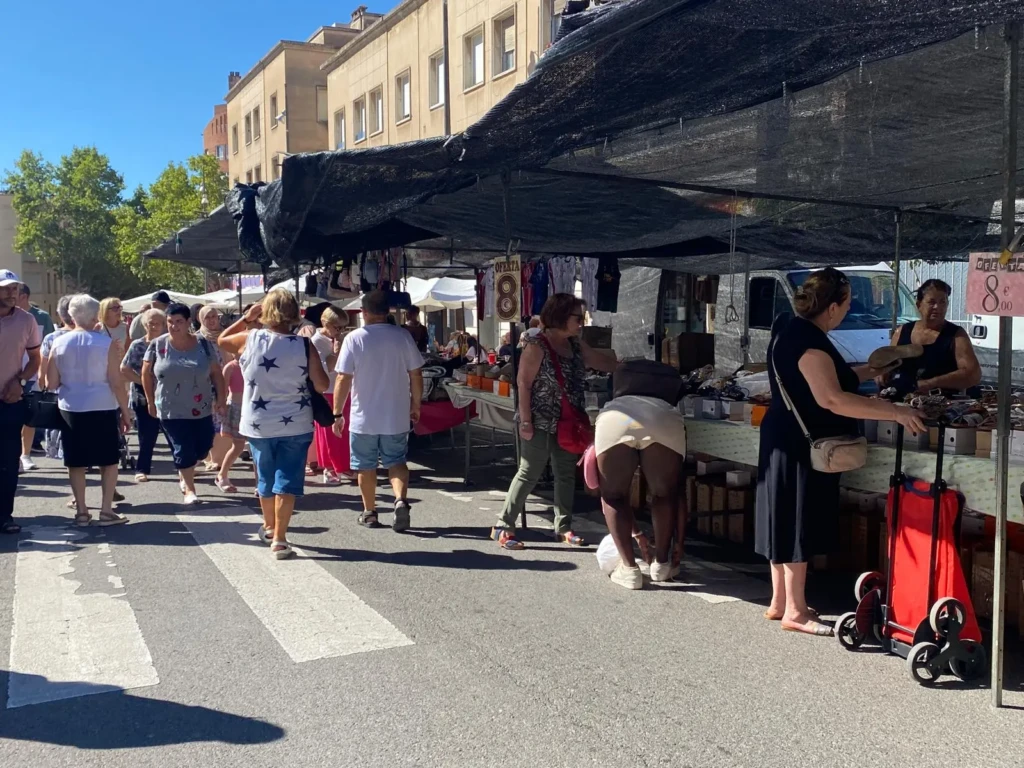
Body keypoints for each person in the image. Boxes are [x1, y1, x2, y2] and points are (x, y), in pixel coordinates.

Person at [756, 267, 926, 636]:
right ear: (832, 307)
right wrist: (896, 411)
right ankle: (797, 612)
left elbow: (831, 377)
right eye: (848, 305)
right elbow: (832, 398)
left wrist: (872, 368)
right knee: (796, 519)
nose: (848, 311)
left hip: (782, 435)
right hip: (803, 443)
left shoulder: (790, 330)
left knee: (781, 515)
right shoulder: (810, 341)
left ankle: (780, 602)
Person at [492, 294, 618, 550]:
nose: (581, 323)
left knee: (565, 475)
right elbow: (523, 383)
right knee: (528, 473)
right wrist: (525, 421)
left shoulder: (575, 344)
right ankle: (502, 526)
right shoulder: (537, 345)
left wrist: (627, 366)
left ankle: (563, 527)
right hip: (538, 420)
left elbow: (599, 361)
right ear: (560, 316)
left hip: (568, 421)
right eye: (577, 318)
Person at [218, 291, 328, 558]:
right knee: (287, 480)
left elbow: (221, 340)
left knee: (265, 477)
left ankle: (268, 526)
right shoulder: (304, 346)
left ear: (265, 311)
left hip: (258, 423)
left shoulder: (249, 338)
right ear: (294, 312)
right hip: (296, 423)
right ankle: (280, 539)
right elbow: (323, 384)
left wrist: (247, 318)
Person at [332, 290, 423, 531]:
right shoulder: (402, 336)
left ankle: (370, 512)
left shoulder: (355, 338)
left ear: (364, 312)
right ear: (388, 311)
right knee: (397, 461)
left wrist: (337, 412)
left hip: (365, 417)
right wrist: (416, 404)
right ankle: (400, 500)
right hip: (396, 414)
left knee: (365, 465)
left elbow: (343, 378)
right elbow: (416, 373)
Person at [594, 377, 687, 590]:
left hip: (616, 419)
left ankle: (629, 569)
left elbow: (613, 496)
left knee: (613, 495)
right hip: (662, 419)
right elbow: (678, 493)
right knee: (664, 494)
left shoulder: (616, 397)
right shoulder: (669, 403)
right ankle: (661, 564)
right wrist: (680, 544)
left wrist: (638, 535)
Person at [47, 294, 131, 527]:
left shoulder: (58, 342)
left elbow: (51, 382)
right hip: (102, 405)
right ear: (95, 316)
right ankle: (106, 510)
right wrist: (125, 411)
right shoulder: (105, 344)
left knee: (75, 462)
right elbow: (116, 380)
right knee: (109, 460)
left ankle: (82, 511)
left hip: (71, 407)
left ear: (71, 316)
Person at [142, 303, 226, 505]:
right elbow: (146, 372)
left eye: (179, 322)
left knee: (204, 447)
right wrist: (150, 401)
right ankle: (190, 489)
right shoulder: (158, 344)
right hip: (170, 408)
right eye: (170, 322)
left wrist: (221, 399)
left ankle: (186, 469)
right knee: (183, 448)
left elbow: (216, 373)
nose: (173, 326)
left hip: (201, 407)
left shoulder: (203, 344)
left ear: (189, 322)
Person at [884, 279, 982, 397]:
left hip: (941, 404)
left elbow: (973, 374)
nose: (937, 307)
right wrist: (881, 372)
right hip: (900, 403)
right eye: (932, 302)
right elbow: (886, 363)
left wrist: (931, 383)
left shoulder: (956, 335)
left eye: (943, 302)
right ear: (919, 305)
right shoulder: (901, 332)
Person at [0, 270, 41, 534]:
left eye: (15, 288)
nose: (12, 293)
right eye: (5, 289)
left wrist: (21, 381)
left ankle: (4, 516)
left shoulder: (27, 320)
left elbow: (36, 359)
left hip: (10, 401)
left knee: (7, 462)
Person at [120, 308, 171, 482]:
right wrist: (144, 382)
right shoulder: (138, 345)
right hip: (142, 396)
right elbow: (124, 369)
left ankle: (184, 468)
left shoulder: (169, 343)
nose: (155, 326)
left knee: (174, 433)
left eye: (158, 323)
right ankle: (142, 469)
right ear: (144, 325)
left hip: (169, 395)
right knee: (146, 435)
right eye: (151, 323)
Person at [312, 307, 352, 485]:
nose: (341, 332)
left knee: (345, 429)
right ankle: (329, 467)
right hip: (327, 391)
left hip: (344, 388)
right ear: (325, 323)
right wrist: (336, 351)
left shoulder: (341, 338)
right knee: (329, 431)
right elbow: (325, 368)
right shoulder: (317, 341)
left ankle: (344, 465)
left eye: (344, 327)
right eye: (338, 327)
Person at [17, 283, 54, 470]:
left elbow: (49, 347)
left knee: (29, 418)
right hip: (9, 374)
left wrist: (45, 374)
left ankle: (26, 455)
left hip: (33, 374)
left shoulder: (41, 317)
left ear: (23, 296)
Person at [38, 295, 75, 460]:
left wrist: (44, 385)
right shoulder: (95, 336)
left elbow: (43, 368)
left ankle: (62, 453)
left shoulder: (51, 338)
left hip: (58, 389)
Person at [197, 305, 231, 472]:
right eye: (207, 317)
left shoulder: (226, 336)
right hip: (204, 386)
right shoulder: (197, 339)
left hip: (225, 382)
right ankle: (209, 458)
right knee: (209, 422)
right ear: (201, 320)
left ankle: (218, 458)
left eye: (214, 317)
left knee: (222, 420)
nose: (211, 320)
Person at [214, 355, 247, 493]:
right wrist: (221, 406)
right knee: (238, 446)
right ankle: (222, 475)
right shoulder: (231, 367)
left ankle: (260, 483)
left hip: (254, 408)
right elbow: (223, 389)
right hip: (236, 408)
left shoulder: (256, 364)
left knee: (258, 447)